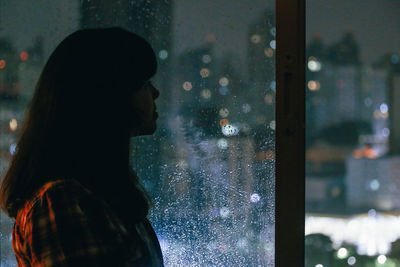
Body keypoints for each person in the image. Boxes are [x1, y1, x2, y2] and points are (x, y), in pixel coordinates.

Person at [0, 28, 163, 266]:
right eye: (144, 83)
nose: (155, 92)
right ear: (111, 95)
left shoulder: (90, 197)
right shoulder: (63, 202)